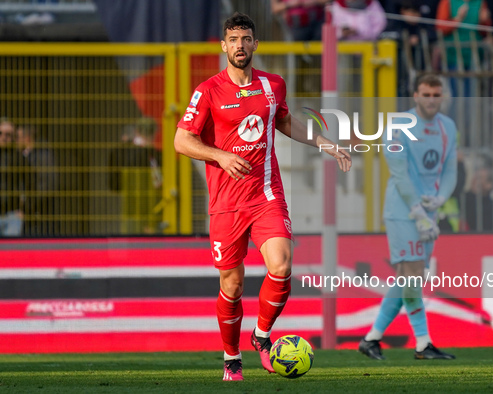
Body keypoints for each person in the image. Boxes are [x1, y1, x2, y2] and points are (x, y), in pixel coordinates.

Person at [174, 13, 351, 381]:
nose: (240, 45)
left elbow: (284, 120)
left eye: (246, 39)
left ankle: (262, 336)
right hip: (225, 203)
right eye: (233, 39)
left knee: (282, 265)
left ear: (255, 44)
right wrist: (220, 155)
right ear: (224, 45)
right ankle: (231, 358)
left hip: (265, 194)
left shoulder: (273, 85)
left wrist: (324, 142)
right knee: (232, 285)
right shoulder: (207, 91)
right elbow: (181, 140)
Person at [359, 74, 457, 360]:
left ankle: (371, 339)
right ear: (415, 96)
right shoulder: (399, 125)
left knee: (408, 278)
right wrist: (417, 212)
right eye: (425, 94)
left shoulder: (448, 127)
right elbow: (398, 172)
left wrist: (440, 199)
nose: (431, 100)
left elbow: (450, 170)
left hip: (429, 212)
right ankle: (423, 343)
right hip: (403, 212)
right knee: (412, 277)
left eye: (436, 95)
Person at [108, 117, 162, 234]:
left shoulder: (122, 152)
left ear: (136, 131)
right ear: (154, 134)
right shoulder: (155, 155)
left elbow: (114, 184)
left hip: (130, 206)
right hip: (153, 204)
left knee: (132, 238)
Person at [17, 124, 57, 236]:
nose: (16, 141)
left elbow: (47, 184)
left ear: (27, 138)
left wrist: (27, 206)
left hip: (38, 214)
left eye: (18, 137)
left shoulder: (42, 156)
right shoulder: (22, 156)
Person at [0, 117, 28, 237]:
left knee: (10, 251)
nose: (4, 137)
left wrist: (24, 209)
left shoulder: (20, 159)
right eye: (1, 133)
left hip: (13, 214)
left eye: (8, 134)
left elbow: (28, 185)